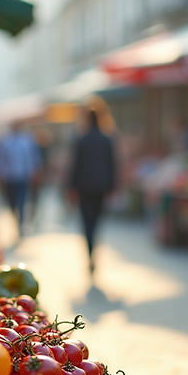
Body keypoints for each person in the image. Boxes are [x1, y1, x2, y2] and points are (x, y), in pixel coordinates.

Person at [68, 109, 117, 275]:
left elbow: (75, 165)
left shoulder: (81, 139)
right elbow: (112, 165)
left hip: (84, 186)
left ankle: (90, 253)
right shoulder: (107, 139)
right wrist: (112, 187)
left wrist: (71, 187)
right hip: (101, 186)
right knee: (96, 221)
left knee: (86, 221)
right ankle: (93, 249)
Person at [0, 122, 42, 237]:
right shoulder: (4, 142)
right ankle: (15, 217)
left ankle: (21, 223)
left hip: (23, 177)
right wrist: (0, 174)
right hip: (9, 177)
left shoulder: (28, 140)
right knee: (12, 201)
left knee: (22, 202)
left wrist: (35, 173)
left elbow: (34, 158)